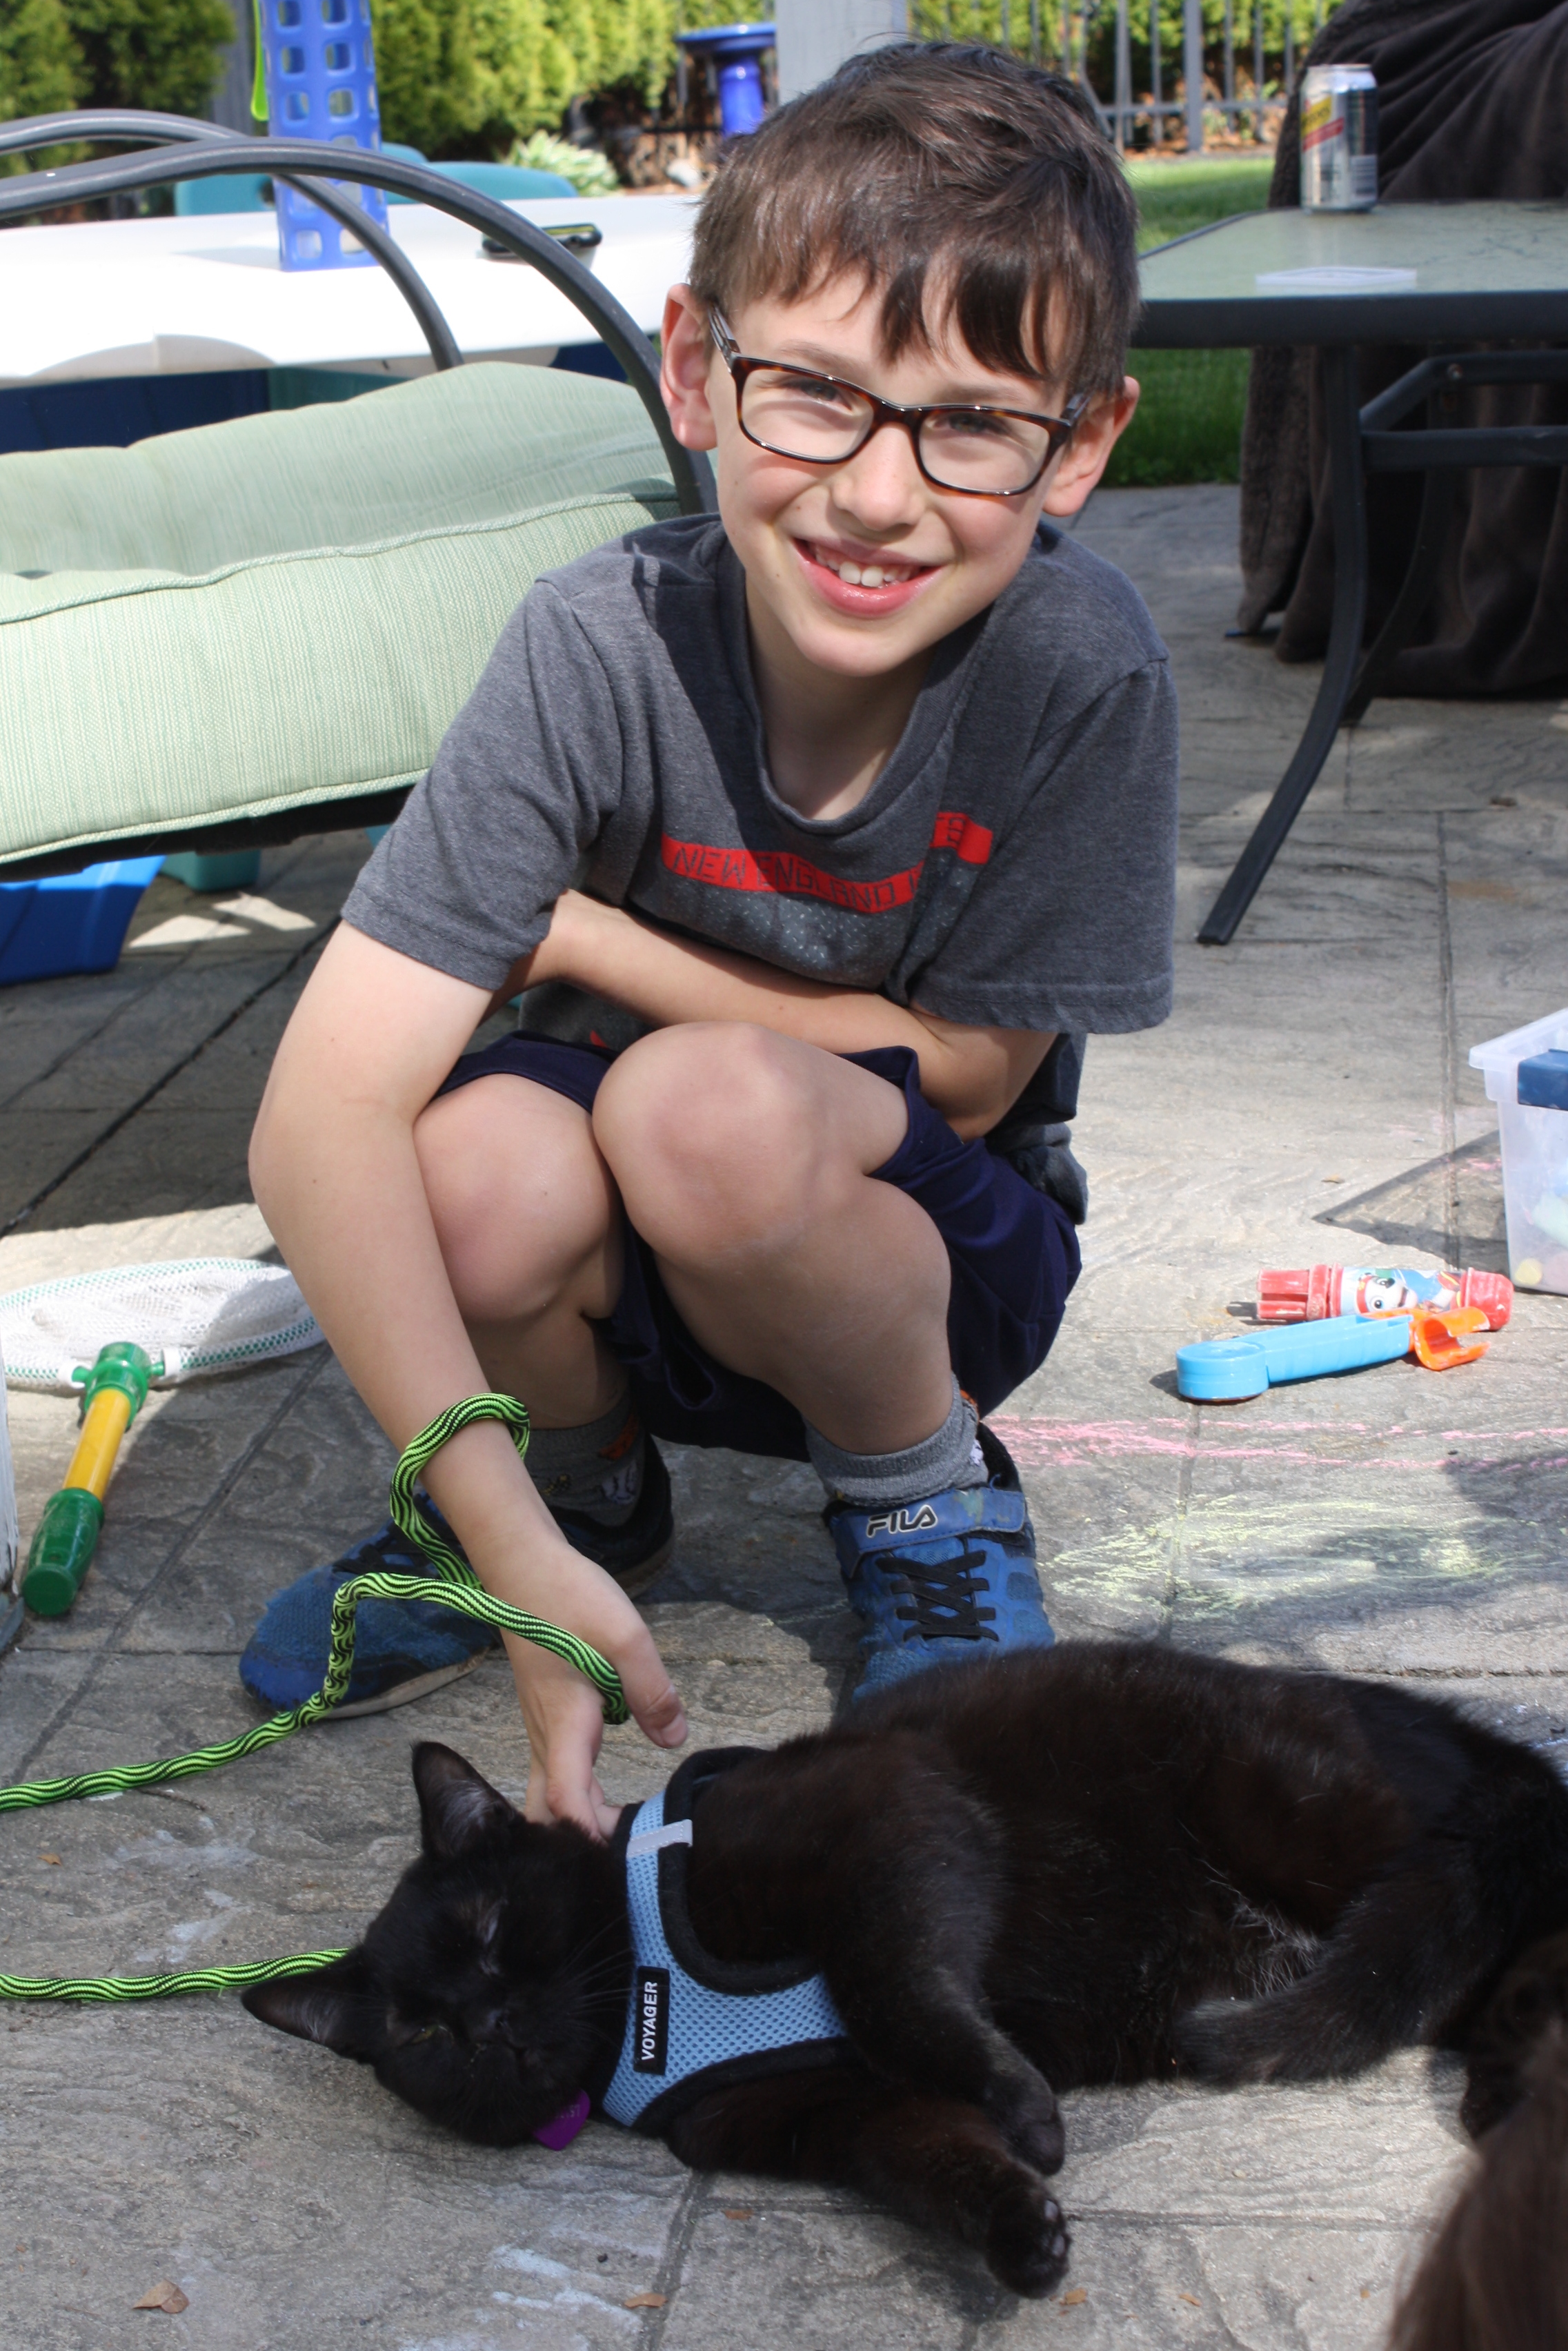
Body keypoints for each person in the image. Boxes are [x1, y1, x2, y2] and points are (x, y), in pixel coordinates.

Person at [242, 40, 1178, 1838]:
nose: (878, 494)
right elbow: (315, 1121)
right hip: (623, 1248)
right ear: (694, 369)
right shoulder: (593, 644)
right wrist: (503, 1534)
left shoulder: (1078, 667)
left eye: (972, 422)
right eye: (813, 392)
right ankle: (582, 1498)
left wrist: (600, 944)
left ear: (1078, 447)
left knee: (702, 1109)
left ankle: (925, 1508)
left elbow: (970, 1086)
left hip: (929, 1265)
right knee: (462, 1167)